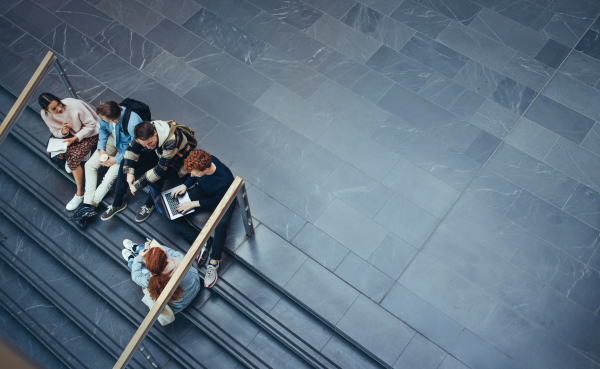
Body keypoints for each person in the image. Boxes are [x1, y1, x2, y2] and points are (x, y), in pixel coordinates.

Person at [101, 120, 194, 223]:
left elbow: (159, 171)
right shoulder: (145, 131)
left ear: (155, 133)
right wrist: (129, 172)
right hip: (159, 152)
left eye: (150, 143)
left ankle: (149, 204)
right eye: (145, 145)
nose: (148, 147)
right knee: (125, 162)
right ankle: (117, 203)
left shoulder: (172, 140)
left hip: (177, 158)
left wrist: (137, 185)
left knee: (159, 177)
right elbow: (132, 148)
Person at [170, 149, 235, 288]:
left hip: (222, 199)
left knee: (220, 224)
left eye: (194, 172)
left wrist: (193, 204)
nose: (191, 174)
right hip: (204, 192)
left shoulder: (226, 179)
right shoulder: (205, 161)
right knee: (171, 212)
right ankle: (200, 242)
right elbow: (194, 176)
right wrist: (185, 185)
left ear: (205, 169)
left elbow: (217, 200)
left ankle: (214, 262)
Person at [72, 101, 143, 219]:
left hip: (126, 150)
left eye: (103, 119)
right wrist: (101, 150)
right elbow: (103, 131)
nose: (100, 120)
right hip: (113, 139)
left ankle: (91, 205)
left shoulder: (132, 124)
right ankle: (87, 204)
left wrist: (116, 159)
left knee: (108, 178)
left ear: (112, 120)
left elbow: (136, 148)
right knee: (89, 166)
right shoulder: (107, 116)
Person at [39, 93, 99, 211]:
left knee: (73, 161)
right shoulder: (45, 115)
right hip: (70, 136)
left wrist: (76, 137)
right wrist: (63, 132)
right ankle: (80, 155)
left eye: (59, 104)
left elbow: (91, 124)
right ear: (46, 110)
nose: (59, 109)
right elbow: (55, 131)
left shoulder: (74, 106)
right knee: (55, 153)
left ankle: (79, 193)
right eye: (54, 109)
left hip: (89, 134)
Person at [121, 238, 201, 314]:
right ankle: (137, 248)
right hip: (196, 286)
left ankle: (132, 259)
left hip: (180, 306)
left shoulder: (153, 280)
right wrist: (153, 244)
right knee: (154, 251)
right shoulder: (179, 259)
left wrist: (139, 256)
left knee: (141, 269)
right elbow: (167, 251)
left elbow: (136, 276)